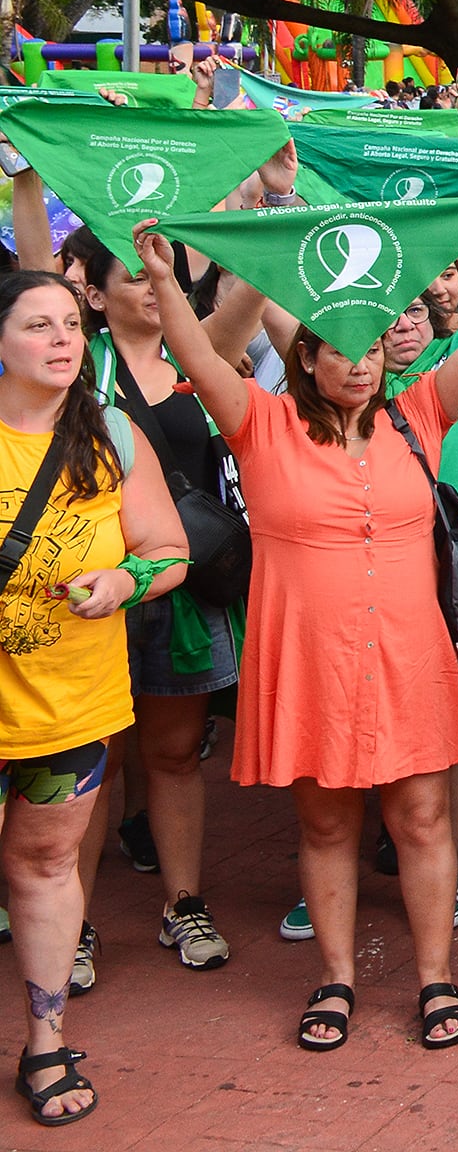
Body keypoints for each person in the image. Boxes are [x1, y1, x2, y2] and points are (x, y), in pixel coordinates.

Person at [136, 196, 458, 1057]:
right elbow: (191, 355)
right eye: (339, 351)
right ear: (306, 359)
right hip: (309, 660)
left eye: (369, 352)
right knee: (325, 827)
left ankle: (436, 976)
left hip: (406, 653)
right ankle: (337, 978)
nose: (360, 365)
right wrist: (168, 280)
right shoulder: (259, 424)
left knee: (425, 821)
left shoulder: (420, 411)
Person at [0, 269, 191, 1126]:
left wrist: (125, 577)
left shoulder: (112, 432)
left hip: (68, 706)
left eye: (70, 325)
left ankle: (45, 1042)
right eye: (37, 326)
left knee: (44, 869)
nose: (62, 340)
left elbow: (169, 550)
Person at [67, 224, 267, 974]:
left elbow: (250, 289)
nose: (155, 292)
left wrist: (273, 199)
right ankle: (73, 920)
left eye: (166, 282)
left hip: (187, 586)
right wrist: (27, 175)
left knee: (176, 754)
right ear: (94, 294)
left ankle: (183, 905)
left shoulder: (198, 357)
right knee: (98, 761)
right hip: (93, 593)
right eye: (137, 281)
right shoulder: (76, 370)